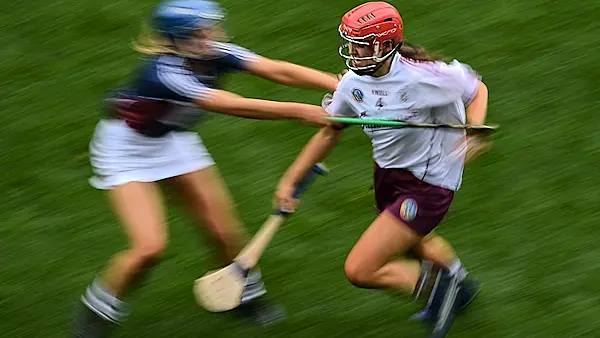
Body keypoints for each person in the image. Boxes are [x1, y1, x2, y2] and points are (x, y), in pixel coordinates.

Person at [72, 0, 340, 336]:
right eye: (204, 30)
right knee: (149, 248)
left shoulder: (214, 51)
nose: (214, 34)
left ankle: (243, 295)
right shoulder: (164, 73)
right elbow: (229, 105)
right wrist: (301, 111)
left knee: (224, 233)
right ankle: (100, 308)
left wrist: (337, 85)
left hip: (172, 141)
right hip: (126, 151)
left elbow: (276, 69)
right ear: (182, 38)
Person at [275, 2, 490, 337]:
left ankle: (439, 291)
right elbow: (332, 128)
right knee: (413, 241)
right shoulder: (352, 84)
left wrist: (474, 130)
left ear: (386, 46)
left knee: (360, 269)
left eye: (361, 45)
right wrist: (292, 177)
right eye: (350, 43)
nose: (352, 51)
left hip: (429, 183)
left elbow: (476, 90)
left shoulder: (425, 78)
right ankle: (460, 283)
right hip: (389, 175)